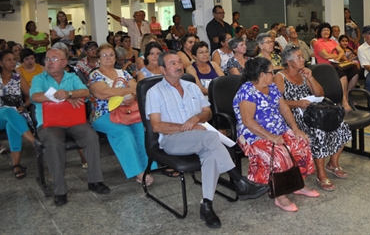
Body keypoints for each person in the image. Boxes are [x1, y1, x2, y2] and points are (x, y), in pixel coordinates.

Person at [146, 50, 269, 228]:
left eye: (179, 62)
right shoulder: (154, 92)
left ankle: (207, 205)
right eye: (172, 63)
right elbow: (156, 126)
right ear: (162, 69)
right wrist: (186, 127)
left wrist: (195, 119)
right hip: (172, 140)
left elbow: (207, 112)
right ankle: (239, 181)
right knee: (211, 137)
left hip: (200, 137)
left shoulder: (191, 86)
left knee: (210, 154)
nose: (178, 66)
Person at [233, 57, 318, 212]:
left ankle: (298, 184)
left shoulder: (271, 86)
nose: (273, 75)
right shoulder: (247, 91)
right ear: (260, 74)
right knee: (279, 154)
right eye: (271, 72)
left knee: (300, 142)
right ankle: (281, 195)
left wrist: (295, 129)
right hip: (253, 134)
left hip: (278, 130)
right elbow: (248, 121)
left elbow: (284, 108)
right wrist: (270, 137)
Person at [30, 48, 110, 206]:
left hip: (74, 121)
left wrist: (70, 94)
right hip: (49, 124)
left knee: (90, 136)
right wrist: (64, 98)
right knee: (53, 143)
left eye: (54, 59)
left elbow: (86, 92)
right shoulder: (39, 78)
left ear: (64, 63)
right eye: (47, 59)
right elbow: (35, 96)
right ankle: (60, 190)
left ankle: (95, 181)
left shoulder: (72, 76)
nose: (49, 63)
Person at [275, 46, 352, 191]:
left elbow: (319, 95)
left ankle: (333, 163)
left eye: (302, 56)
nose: (303, 59)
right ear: (289, 62)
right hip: (293, 114)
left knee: (341, 125)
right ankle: (321, 175)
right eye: (298, 57)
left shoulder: (304, 74)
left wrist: (310, 78)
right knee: (319, 131)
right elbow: (276, 102)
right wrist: (297, 103)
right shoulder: (280, 77)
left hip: (312, 111)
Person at [88, 44, 156, 185]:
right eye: (104, 55)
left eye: (111, 55)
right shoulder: (95, 74)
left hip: (128, 112)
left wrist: (128, 95)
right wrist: (125, 94)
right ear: (98, 59)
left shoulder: (123, 73)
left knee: (142, 130)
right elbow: (102, 93)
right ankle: (138, 172)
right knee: (124, 133)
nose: (108, 58)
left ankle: (148, 167)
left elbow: (138, 89)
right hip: (104, 114)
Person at [0, 50, 36, 179]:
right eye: (8, 60)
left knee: (12, 123)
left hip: (17, 114)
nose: (12, 62)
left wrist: (24, 106)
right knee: (8, 111)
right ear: (0, 63)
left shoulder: (18, 78)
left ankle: (16, 164)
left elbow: (32, 96)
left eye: (13, 59)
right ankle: (33, 141)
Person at [313, 23, 359, 111]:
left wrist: (338, 56)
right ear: (320, 32)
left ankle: (346, 95)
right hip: (326, 68)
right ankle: (344, 101)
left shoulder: (332, 41)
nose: (326, 32)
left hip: (337, 65)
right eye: (324, 30)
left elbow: (341, 51)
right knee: (343, 76)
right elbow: (325, 56)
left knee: (355, 73)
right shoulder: (318, 43)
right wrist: (336, 56)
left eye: (328, 30)